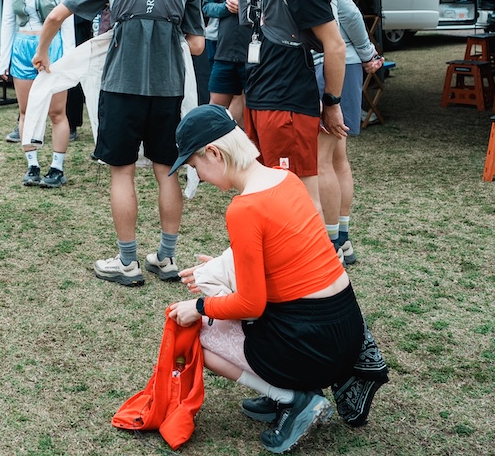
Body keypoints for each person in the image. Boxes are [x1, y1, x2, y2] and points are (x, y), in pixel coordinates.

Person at [165, 105, 385, 454]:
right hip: (347, 332)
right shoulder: (286, 178)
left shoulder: (244, 208)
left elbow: (251, 304)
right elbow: (284, 250)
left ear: (214, 153)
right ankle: (288, 388)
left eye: (194, 166)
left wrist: (199, 305)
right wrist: (223, 267)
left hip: (312, 345)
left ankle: (292, 397)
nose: (199, 177)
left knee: (196, 336)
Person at [34, 0, 205, 288]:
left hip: (120, 87)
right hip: (168, 89)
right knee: (167, 171)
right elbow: (197, 45)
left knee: (122, 172)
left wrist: (42, 52)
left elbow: (55, 17)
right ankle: (167, 257)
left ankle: (127, 262)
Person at [201, 0, 347, 215]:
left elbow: (335, 44)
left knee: (298, 195)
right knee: (270, 191)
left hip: (287, 100)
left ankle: (317, 249)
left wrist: (332, 103)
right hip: (259, 97)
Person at [273, 0, 382, 264]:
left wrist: (366, 52)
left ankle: (330, 243)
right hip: (344, 61)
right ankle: (342, 239)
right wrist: (365, 53)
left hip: (327, 62)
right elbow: (348, 9)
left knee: (319, 160)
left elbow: (347, 12)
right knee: (337, 156)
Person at [0, 0, 74, 188]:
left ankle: (57, 167)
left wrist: (69, 57)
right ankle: (32, 164)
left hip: (53, 47)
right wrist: (4, 58)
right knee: (26, 110)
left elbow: (67, 21)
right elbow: (8, 21)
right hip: (22, 47)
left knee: (56, 111)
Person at [39, 0, 92, 140]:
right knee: (42, 70)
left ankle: (70, 123)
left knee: (70, 74)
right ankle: (33, 119)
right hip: (47, 25)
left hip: (74, 25)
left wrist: (79, 20)